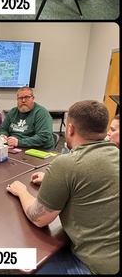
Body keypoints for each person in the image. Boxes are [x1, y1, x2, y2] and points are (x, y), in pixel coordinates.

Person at [6, 100, 119, 275]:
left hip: (93, 265)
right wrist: (53, 180)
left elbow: (38, 218)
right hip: (113, 256)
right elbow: (92, 181)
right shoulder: (115, 154)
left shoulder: (67, 164)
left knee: (24, 264)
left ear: (70, 128)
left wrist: (21, 191)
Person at [0, 86, 55, 151]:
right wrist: (3, 136)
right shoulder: (12, 112)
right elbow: (3, 129)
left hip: (38, 150)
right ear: (17, 100)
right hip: (16, 148)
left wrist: (19, 142)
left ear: (33, 98)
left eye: (27, 97)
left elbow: (43, 137)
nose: (23, 100)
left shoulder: (41, 113)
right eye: (20, 98)